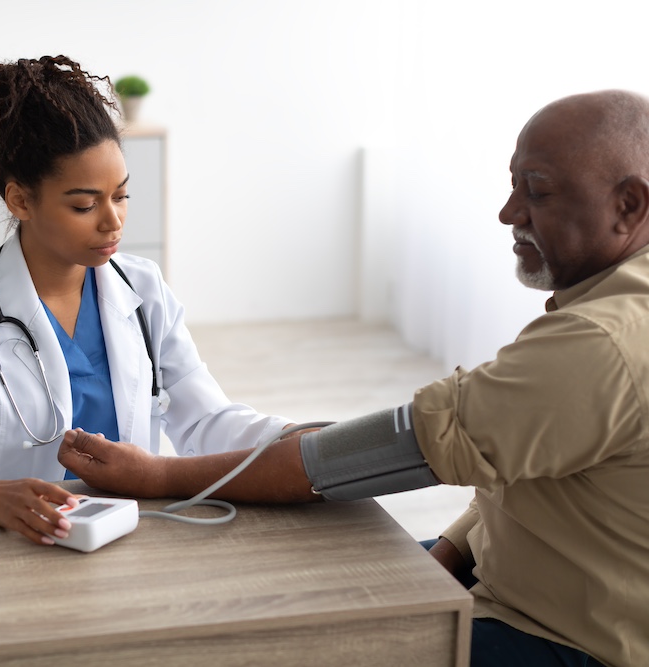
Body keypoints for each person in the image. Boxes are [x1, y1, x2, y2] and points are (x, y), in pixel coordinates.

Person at [58, 89, 649, 667]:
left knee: (280, 631)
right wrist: (447, 552)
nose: (508, 212)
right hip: (519, 580)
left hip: (566, 637)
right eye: (512, 184)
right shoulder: (615, 304)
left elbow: (389, 450)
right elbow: (517, 466)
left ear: (629, 205)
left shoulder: (601, 341)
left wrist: (160, 474)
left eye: (538, 191)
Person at [0, 55, 291, 547]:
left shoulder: (144, 292)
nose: (113, 222)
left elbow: (208, 421)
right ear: (20, 201)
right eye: (84, 205)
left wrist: (302, 440)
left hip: (126, 542)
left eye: (121, 196)